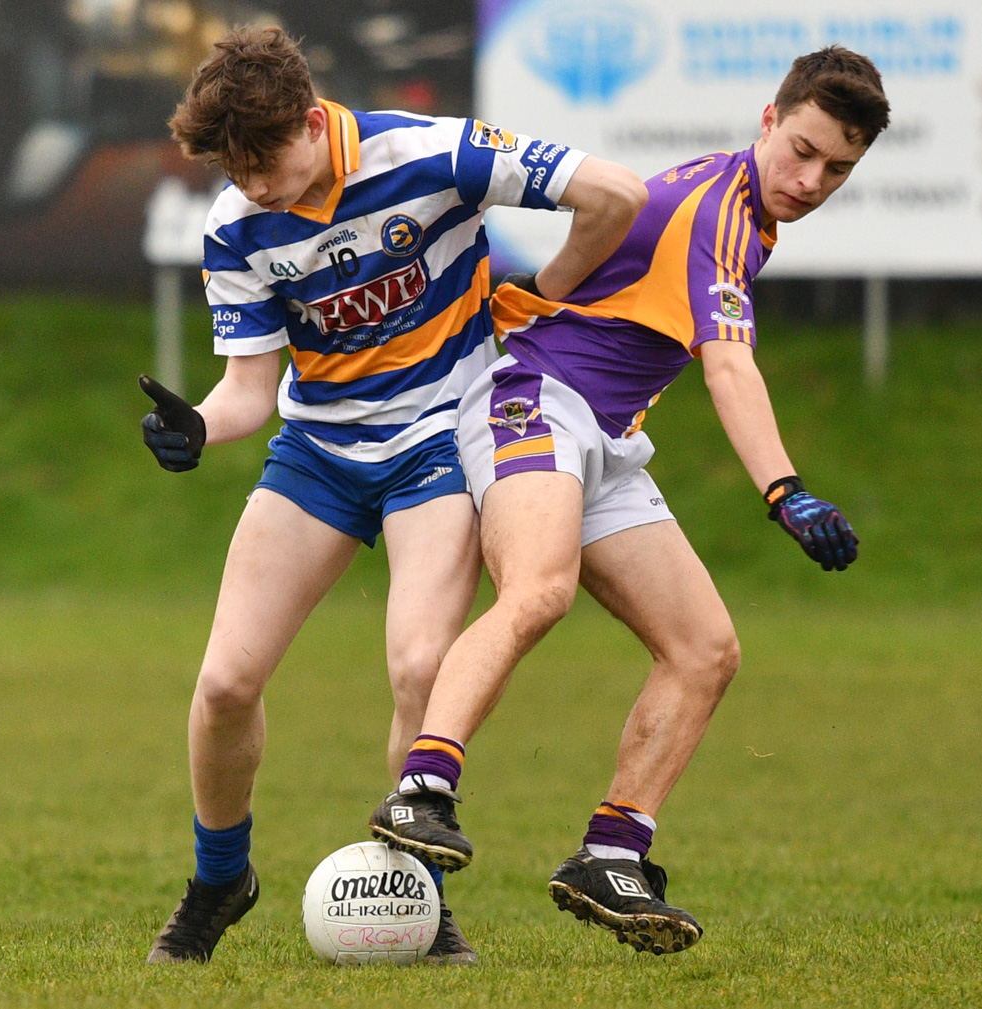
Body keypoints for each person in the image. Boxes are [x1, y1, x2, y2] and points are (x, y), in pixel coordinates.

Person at [139, 25, 646, 966]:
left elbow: (615, 193)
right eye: (231, 166)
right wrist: (200, 427)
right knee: (223, 683)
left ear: (305, 119)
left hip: (440, 445)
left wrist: (544, 292)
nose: (248, 183)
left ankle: (416, 895)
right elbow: (249, 390)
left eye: (260, 159)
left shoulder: (430, 151)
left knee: (421, 667)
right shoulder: (236, 224)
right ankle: (221, 876)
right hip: (320, 454)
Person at [369, 46, 890, 955]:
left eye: (836, 168)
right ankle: (421, 789)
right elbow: (728, 364)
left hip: (602, 436)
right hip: (530, 399)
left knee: (703, 648)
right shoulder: (720, 213)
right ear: (768, 120)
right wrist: (784, 491)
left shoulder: (743, 207)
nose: (811, 179)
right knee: (538, 588)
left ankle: (611, 848)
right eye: (801, 149)